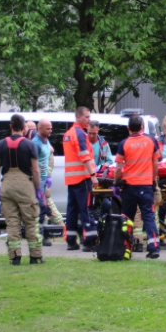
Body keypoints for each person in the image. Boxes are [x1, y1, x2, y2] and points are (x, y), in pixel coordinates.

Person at [0, 113, 43, 265]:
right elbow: (35, 170)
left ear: (10, 127)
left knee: (12, 222)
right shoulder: (30, 145)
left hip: (7, 185)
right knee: (30, 221)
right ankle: (35, 256)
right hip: (25, 185)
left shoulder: (0, 144)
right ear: (24, 128)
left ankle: (15, 257)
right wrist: (37, 189)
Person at [115, 114, 161, 259]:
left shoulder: (124, 143)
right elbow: (155, 163)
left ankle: (125, 247)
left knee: (127, 218)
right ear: (142, 127)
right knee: (148, 216)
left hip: (129, 186)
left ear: (128, 128)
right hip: (146, 185)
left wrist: (117, 181)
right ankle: (153, 247)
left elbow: (118, 167)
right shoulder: (151, 141)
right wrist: (153, 180)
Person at [63, 107, 98, 251]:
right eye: (87, 117)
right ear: (79, 117)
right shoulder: (79, 134)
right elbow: (84, 155)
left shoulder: (68, 134)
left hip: (72, 179)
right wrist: (93, 176)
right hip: (82, 178)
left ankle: (71, 240)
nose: (89, 120)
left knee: (72, 210)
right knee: (86, 209)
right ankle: (89, 241)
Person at [33, 118, 64, 246]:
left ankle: (40, 234)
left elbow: (48, 157)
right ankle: (38, 235)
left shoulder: (45, 141)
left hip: (43, 179)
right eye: (48, 128)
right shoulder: (36, 143)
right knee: (41, 207)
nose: (51, 130)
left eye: (51, 128)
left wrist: (47, 176)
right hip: (38, 180)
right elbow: (32, 164)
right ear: (39, 128)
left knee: (43, 208)